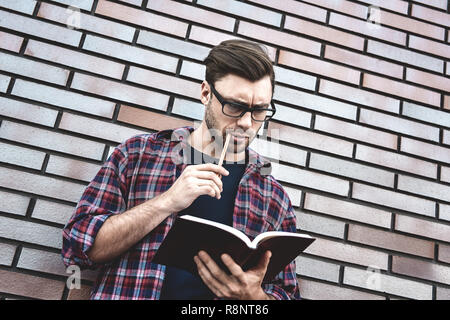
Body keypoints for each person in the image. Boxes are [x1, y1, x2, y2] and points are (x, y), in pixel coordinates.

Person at [62, 39, 300, 300]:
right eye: (234, 106)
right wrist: (167, 202)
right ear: (206, 93)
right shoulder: (138, 154)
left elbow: (286, 292)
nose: (246, 123)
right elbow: (79, 246)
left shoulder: (273, 196)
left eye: (259, 111)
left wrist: (254, 298)